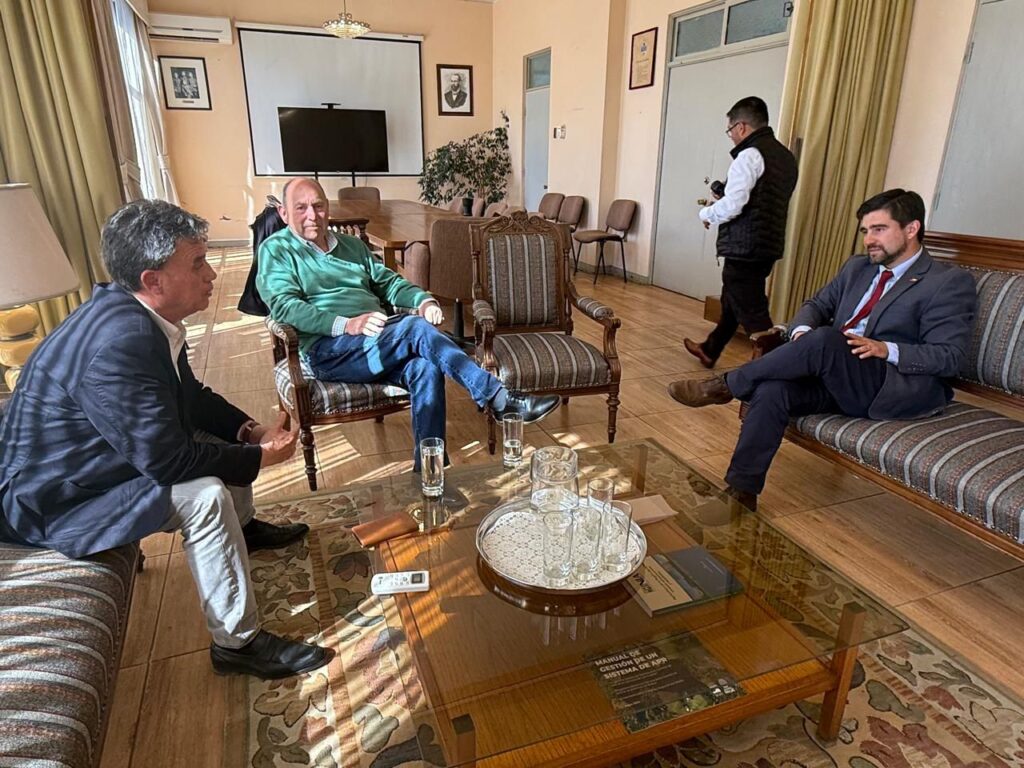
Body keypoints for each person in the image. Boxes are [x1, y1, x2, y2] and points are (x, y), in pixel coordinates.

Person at [0, 199, 332, 680]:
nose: (212, 274)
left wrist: (249, 431)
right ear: (153, 281)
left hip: (93, 463)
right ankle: (237, 644)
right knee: (205, 496)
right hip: (55, 500)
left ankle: (245, 529)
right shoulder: (121, 343)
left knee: (216, 441)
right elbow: (170, 463)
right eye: (197, 263)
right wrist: (259, 457)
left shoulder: (134, 315)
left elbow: (189, 397)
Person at [667, 189, 977, 511]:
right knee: (774, 390)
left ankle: (725, 386)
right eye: (865, 231)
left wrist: (886, 349)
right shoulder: (858, 267)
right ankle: (741, 493)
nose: (869, 240)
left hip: (888, 385)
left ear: (911, 229)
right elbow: (816, 305)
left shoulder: (946, 282)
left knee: (827, 340)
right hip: (835, 372)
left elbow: (949, 356)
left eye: (879, 229)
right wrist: (802, 334)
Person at [256, 178, 560, 470]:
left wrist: (422, 301)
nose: (312, 215)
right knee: (414, 328)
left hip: (376, 342)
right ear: (284, 213)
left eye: (318, 206)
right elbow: (285, 306)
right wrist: (346, 324)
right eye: (301, 208)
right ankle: (498, 397)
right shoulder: (276, 250)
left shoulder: (352, 246)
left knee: (426, 368)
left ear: (327, 208)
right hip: (329, 351)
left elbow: (389, 283)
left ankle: (430, 472)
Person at [684, 96, 798, 368]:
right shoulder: (785, 157)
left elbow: (735, 206)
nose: (731, 137)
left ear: (741, 127)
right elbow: (763, 198)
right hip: (768, 243)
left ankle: (774, 367)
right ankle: (710, 349)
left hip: (745, 246)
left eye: (730, 130)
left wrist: (706, 214)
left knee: (752, 309)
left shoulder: (749, 155)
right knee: (733, 299)